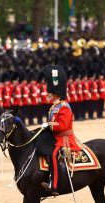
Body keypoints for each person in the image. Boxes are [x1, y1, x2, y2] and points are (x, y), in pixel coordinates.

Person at [40, 65, 83, 196]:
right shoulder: (53, 107)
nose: (47, 94)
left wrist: (48, 125)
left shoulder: (64, 107)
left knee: (53, 155)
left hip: (64, 138)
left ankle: (54, 185)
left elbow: (63, 126)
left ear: (55, 93)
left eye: (49, 92)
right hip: (55, 136)